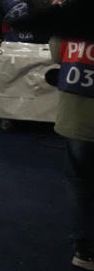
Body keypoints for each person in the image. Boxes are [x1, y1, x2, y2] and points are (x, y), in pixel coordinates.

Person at [49, 34, 94, 269]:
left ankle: (84, 249)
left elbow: (57, 54)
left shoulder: (72, 20)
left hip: (77, 115)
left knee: (79, 183)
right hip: (78, 116)